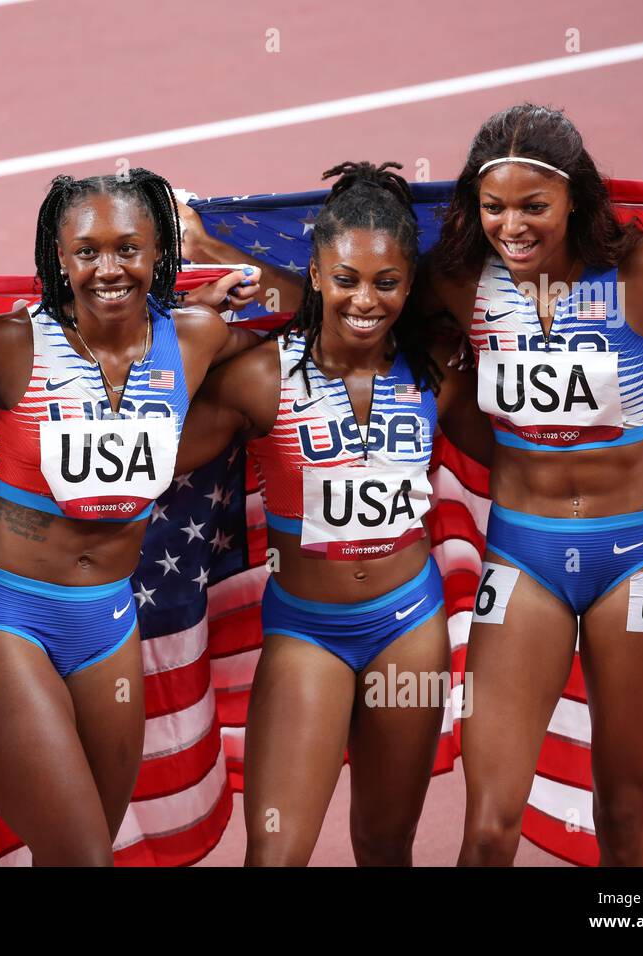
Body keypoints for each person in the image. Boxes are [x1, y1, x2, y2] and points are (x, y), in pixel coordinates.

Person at [428, 103, 643, 866]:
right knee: (488, 830)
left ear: (576, 200)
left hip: (637, 562)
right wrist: (218, 241)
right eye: (493, 207)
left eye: (531, 206)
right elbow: (339, 287)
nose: (509, 225)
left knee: (621, 814)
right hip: (525, 559)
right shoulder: (460, 282)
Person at [0, 168, 261, 865]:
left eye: (129, 248)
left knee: (82, 848)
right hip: (2, 617)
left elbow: (317, 323)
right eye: (87, 251)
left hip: (106, 625)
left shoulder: (195, 338)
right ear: (58, 258)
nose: (108, 269)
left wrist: (214, 251)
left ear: (159, 253)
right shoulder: (10, 344)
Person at [174, 161, 492, 865]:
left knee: (384, 846)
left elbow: (519, 457)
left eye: (386, 283)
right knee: (277, 851)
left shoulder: (436, 370)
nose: (365, 301)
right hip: (308, 635)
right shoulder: (258, 379)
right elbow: (150, 458)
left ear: (410, 284)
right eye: (345, 280)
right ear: (315, 274)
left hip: (408, 629)